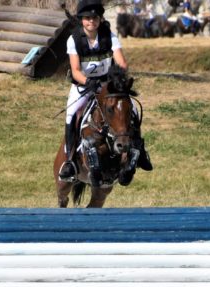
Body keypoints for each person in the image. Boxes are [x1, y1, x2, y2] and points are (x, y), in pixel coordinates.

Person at [59, 0, 152, 182]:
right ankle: (70, 161)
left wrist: (116, 78)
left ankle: (139, 152)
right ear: (82, 20)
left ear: (100, 19)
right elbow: (76, 70)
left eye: (94, 17)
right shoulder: (74, 40)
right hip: (83, 85)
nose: (91, 21)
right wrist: (89, 82)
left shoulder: (110, 36)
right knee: (71, 114)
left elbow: (121, 62)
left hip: (108, 84)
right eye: (87, 18)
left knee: (131, 108)